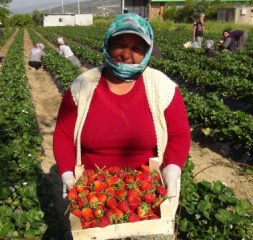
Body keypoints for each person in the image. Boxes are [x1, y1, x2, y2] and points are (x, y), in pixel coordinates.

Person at [53, 13, 191, 218]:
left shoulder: (162, 87)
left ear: (146, 52)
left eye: (136, 48)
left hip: (145, 191)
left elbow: (179, 134)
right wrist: (66, 172)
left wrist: (171, 167)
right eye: (120, 44)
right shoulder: (82, 86)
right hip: (94, 194)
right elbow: (63, 134)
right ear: (107, 45)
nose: (126, 54)